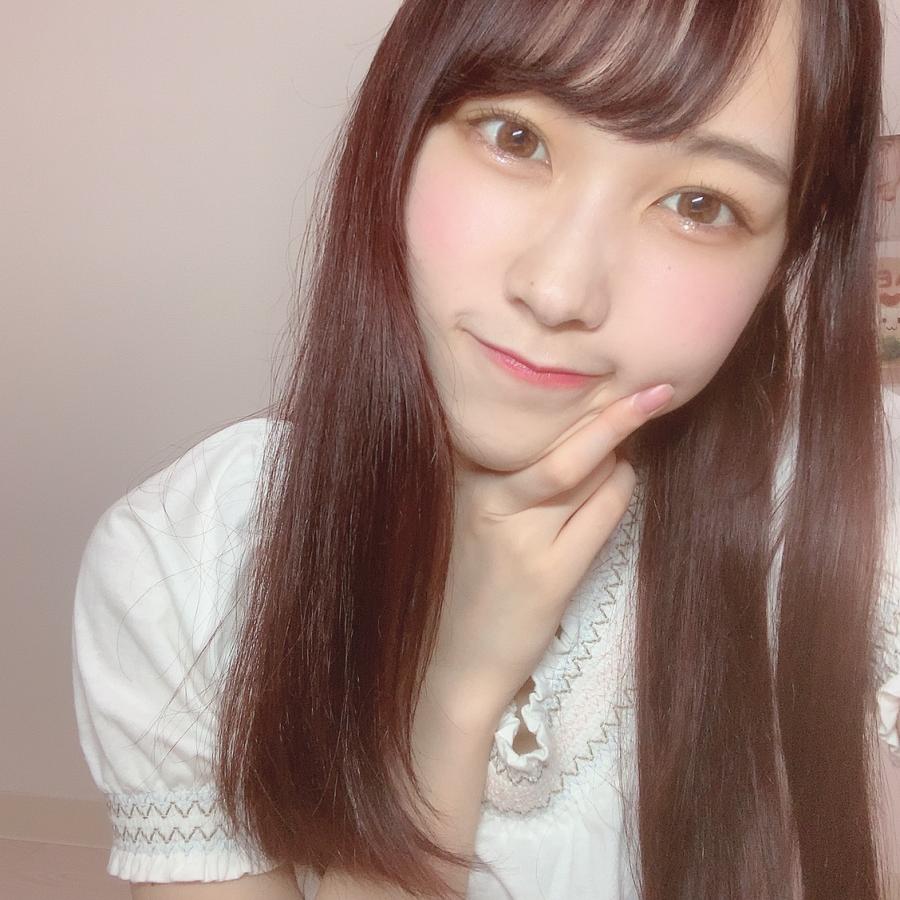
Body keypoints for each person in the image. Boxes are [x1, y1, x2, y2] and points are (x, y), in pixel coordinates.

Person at [71, 0, 899, 897]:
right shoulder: (184, 564)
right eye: (517, 137)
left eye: (700, 204)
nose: (558, 290)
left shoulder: (861, 521)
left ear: (786, 259)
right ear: (402, 128)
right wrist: (455, 693)